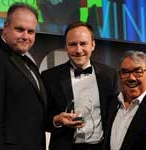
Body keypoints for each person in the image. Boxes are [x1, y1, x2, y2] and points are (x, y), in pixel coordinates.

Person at [41, 21, 118, 150]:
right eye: (72, 44)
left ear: (93, 45)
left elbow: (114, 116)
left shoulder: (109, 75)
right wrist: (57, 120)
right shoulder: (49, 77)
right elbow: (40, 118)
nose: (78, 50)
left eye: (83, 44)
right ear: (65, 47)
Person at [0, 2, 46, 150]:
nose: (26, 36)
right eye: (20, 29)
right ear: (5, 27)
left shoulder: (28, 62)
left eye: (31, 31)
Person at [103, 50, 146, 150]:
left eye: (138, 71)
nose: (131, 78)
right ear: (120, 75)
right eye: (125, 72)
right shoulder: (112, 103)